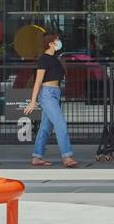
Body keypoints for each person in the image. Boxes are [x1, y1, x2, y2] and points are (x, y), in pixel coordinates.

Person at [23, 30, 77, 168]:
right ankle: (67, 156)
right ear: (51, 43)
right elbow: (38, 81)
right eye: (57, 40)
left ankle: (37, 156)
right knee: (61, 125)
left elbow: (62, 75)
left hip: (55, 93)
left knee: (45, 128)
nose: (59, 42)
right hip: (47, 94)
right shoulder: (43, 59)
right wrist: (33, 100)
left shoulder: (55, 59)